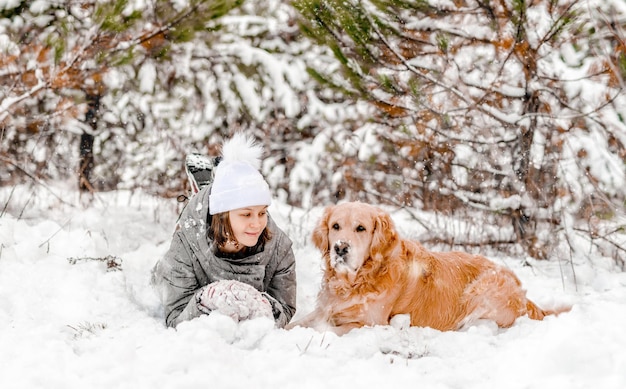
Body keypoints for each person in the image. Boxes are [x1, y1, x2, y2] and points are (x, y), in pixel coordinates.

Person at [152, 133, 297, 328]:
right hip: (200, 233)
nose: (257, 223)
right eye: (246, 215)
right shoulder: (186, 243)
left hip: (220, 213)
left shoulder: (280, 247)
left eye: (262, 213)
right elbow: (175, 318)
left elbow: (285, 308)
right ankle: (205, 191)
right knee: (161, 272)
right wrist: (206, 298)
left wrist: (260, 304)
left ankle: (216, 186)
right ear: (223, 215)